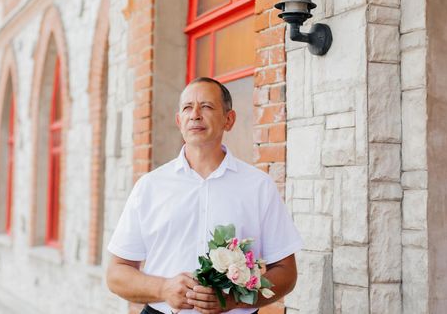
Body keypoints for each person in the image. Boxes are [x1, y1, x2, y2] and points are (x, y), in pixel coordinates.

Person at [107, 77, 303, 314]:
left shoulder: (258, 186)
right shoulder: (149, 187)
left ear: (228, 120)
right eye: (188, 107)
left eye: (207, 106)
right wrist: (163, 288)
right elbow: (116, 273)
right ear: (179, 121)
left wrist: (235, 300)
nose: (195, 114)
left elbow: (286, 271)